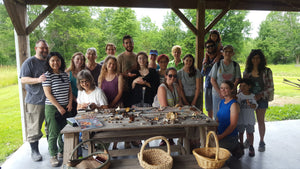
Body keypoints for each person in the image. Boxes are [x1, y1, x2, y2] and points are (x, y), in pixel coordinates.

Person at [19, 39, 49, 162]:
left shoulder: (49, 61)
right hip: (34, 101)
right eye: (42, 48)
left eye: (46, 48)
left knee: (51, 127)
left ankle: (52, 149)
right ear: (36, 48)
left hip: (50, 101)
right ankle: (35, 151)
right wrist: (38, 80)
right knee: (34, 128)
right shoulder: (29, 62)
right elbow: (23, 79)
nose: (45, 50)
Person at [42, 52, 73, 167]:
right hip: (53, 108)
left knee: (62, 131)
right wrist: (59, 107)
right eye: (53, 60)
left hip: (65, 107)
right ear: (49, 62)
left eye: (58, 60)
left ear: (61, 62)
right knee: (53, 132)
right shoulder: (47, 75)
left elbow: (70, 90)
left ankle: (61, 151)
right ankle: (53, 155)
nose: (55, 63)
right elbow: (48, 94)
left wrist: (69, 104)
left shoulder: (64, 74)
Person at [243, 49, 274, 152]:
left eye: (258, 58)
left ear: (261, 59)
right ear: (250, 59)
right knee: (249, 121)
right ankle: (248, 139)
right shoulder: (247, 72)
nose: (255, 60)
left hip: (262, 99)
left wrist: (261, 95)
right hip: (250, 99)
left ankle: (261, 141)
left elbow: (270, 87)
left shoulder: (267, 71)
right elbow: (243, 86)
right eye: (253, 58)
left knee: (261, 121)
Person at [152, 67, 183, 146]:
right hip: (163, 114)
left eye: (175, 76)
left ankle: (178, 141)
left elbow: (179, 101)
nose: (172, 78)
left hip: (174, 113)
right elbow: (164, 107)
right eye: (170, 75)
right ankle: (165, 139)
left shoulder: (176, 86)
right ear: (166, 76)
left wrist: (179, 105)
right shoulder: (162, 88)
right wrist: (176, 108)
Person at [210, 45, 241, 119]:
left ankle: (229, 130)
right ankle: (217, 130)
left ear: (233, 54)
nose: (228, 53)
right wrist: (220, 92)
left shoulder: (235, 65)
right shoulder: (217, 64)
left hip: (230, 94)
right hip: (218, 94)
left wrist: (231, 90)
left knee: (230, 115)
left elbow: (237, 79)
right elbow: (212, 80)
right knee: (217, 115)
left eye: (230, 52)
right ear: (222, 53)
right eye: (226, 51)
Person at [216, 80, 242, 159]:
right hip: (220, 135)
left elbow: (233, 125)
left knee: (215, 151)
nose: (223, 90)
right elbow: (217, 120)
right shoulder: (221, 102)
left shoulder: (233, 104)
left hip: (230, 137)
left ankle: (235, 146)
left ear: (231, 90)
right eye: (221, 88)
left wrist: (220, 136)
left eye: (226, 88)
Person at [236, 78, 258, 157]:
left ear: (249, 86)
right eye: (240, 86)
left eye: (244, 86)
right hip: (241, 119)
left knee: (250, 133)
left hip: (250, 119)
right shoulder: (238, 96)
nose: (242, 88)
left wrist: (251, 105)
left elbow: (255, 106)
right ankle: (241, 145)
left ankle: (251, 146)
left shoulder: (252, 96)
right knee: (241, 132)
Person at [117, 35, 137, 107]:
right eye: (126, 43)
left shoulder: (137, 57)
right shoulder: (120, 57)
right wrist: (127, 75)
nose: (129, 45)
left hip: (135, 88)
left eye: (130, 42)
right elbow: (117, 73)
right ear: (123, 45)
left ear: (133, 43)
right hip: (124, 89)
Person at [201, 40, 220, 118]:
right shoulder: (205, 59)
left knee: (218, 107)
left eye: (212, 46)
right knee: (209, 108)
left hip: (217, 86)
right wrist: (204, 68)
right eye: (208, 46)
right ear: (206, 48)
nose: (210, 48)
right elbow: (202, 73)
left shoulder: (220, 58)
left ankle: (217, 125)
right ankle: (211, 126)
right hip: (208, 85)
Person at [65, 52, 86, 117]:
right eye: (78, 59)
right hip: (71, 101)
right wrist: (74, 99)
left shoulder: (85, 72)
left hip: (83, 101)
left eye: (82, 59)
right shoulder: (67, 73)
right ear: (73, 59)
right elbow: (67, 88)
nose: (80, 61)